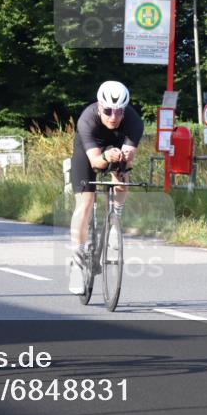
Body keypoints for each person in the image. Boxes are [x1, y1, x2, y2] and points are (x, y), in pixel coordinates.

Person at [68, 81, 143, 294]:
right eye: (108, 111)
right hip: (88, 153)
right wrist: (106, 157)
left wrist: (124, 160)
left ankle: (114, 222)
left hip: (116, 147)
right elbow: (95, 162)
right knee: (85, 203)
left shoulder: (134, 122)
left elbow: (129, 161)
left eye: (119, 111)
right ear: (100, 107)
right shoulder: (87, 119)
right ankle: (77, 264)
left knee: (122, 175)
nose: (113, 117)